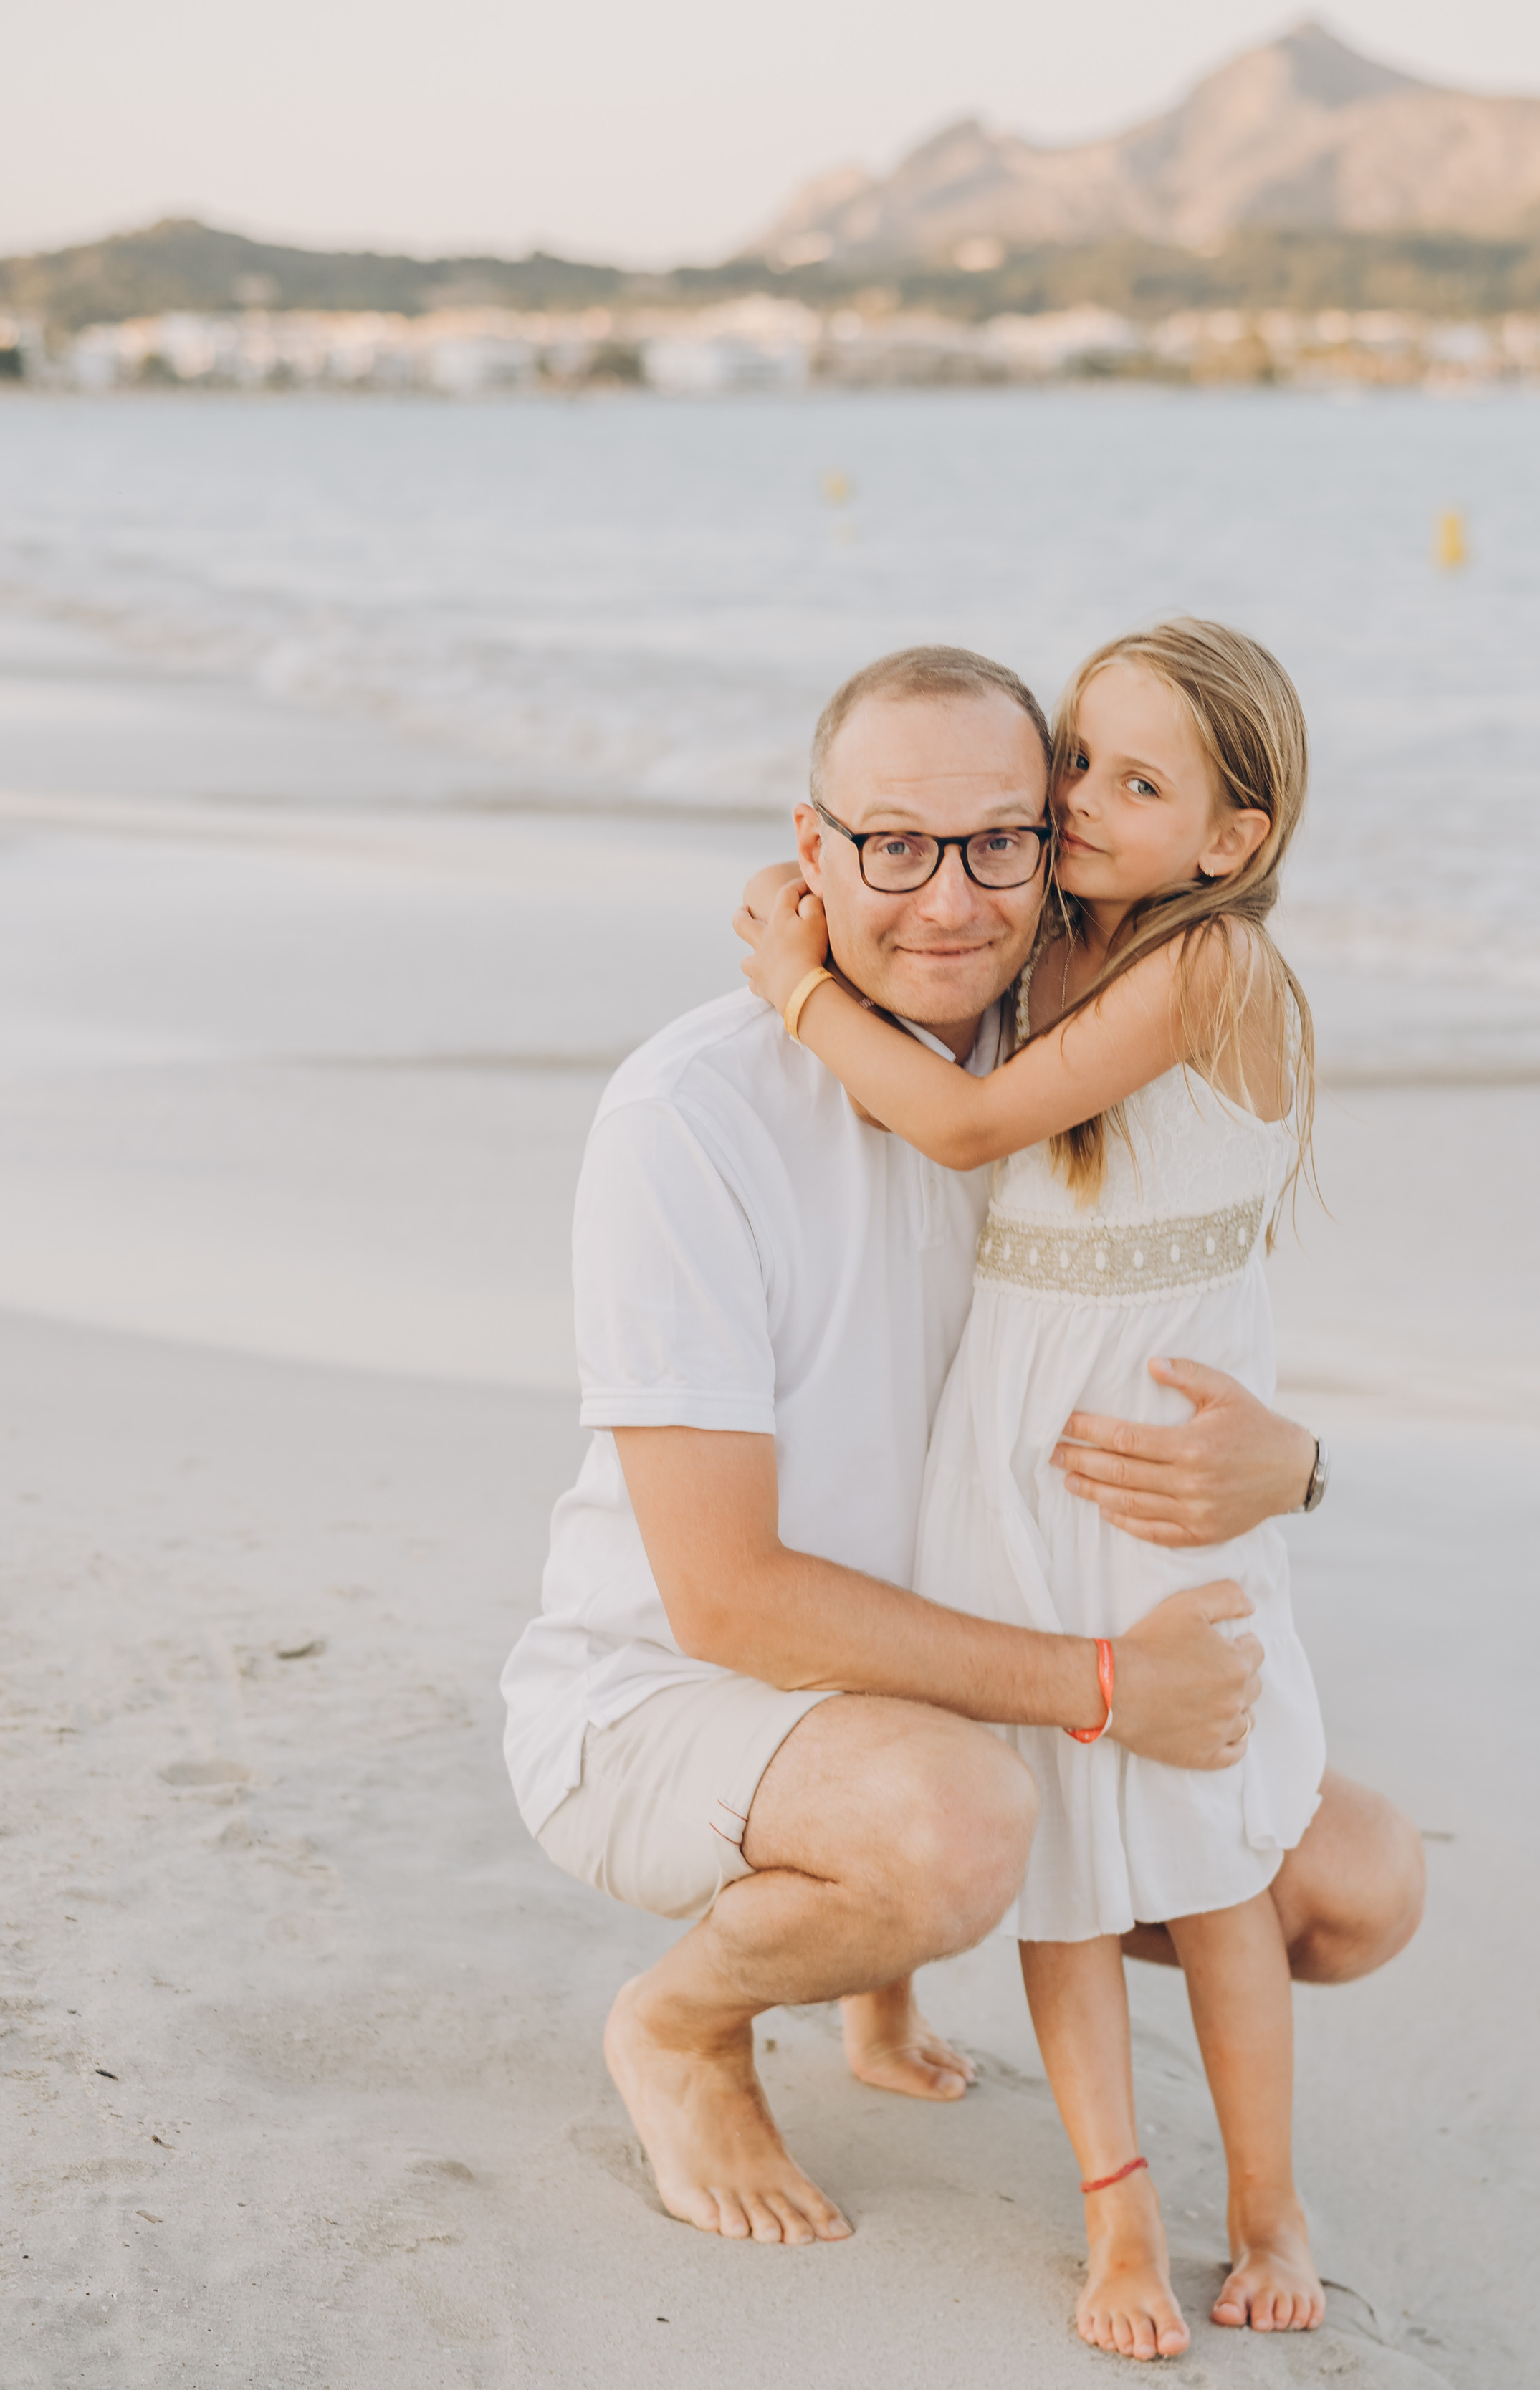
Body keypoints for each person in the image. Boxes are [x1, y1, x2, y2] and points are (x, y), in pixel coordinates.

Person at [502, 644, 1422, 2251]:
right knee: (956, 1825)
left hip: (942, 1655)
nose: (948, 897)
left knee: (1351, 1883)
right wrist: (1110, 1687)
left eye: (1001, 837)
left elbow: (1181, 1309)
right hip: (670, 1697)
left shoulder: (1074, 1029)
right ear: (813, 852)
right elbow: (727, 1600)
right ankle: (681, 2021)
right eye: (892, 845)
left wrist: (1292, 1468)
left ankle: (880, 1972)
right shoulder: (691, 1116)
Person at [740, 620, 1347, 2355]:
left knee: (1213, 1856)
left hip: (1158, 1473)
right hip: (1010, 1461)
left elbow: (962, 1126)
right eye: (1077, 756)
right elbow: (918, 905)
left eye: (1135, 782)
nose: (1074, 801)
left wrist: (795, 990)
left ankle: (1263, 2196)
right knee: (1068, 1856)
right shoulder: (1049, 941)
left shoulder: (1213, 963)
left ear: (1230, 839)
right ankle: (1116, 2211)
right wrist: (839, 913)